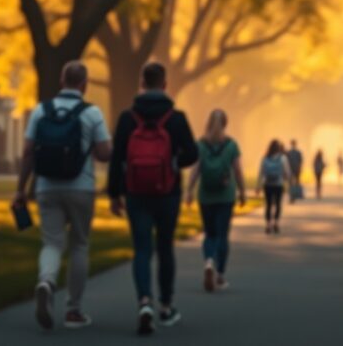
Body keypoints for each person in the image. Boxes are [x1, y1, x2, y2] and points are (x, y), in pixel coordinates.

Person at [13, 61, 112, 330]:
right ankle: (73, 311)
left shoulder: (40, 111)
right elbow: (104, 153)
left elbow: (28, 152)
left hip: (46, 187)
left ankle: (46, 281)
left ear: (61, 80)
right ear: (85, 84)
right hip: (81, 187)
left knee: (52, 243)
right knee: (79, 245)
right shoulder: (92, 112)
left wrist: (21, 189)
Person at [108, 62, 198, 335]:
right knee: (165, 248)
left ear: (142, 84)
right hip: (168, 193)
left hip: (136, 193)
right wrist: (174, 163)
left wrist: (114, 193)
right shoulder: (176, 118)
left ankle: (144, 301)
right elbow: (193, 153)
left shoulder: (127, 118)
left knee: (142, 249)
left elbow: (117, 157)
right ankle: (166, 306)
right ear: (165, 84)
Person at [185, 109, 246, 293]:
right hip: (225, 196)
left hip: (206, 196)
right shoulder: (232, 145)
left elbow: (195, 169)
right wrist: (242, 191)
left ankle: (209, 261)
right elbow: (238, 171)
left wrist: (189, 191)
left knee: (209, 233)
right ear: (225, 124)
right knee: (222, 235)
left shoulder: (201, 144)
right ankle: (219, 275)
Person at [257, 140, 292, 234]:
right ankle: (276, 223)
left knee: (268, 205)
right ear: (279, 148)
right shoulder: (283, 158)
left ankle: (268, 224)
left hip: (267, 184)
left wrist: (258, 186)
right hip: (278, 184)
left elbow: (261, 173)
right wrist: (288, 180)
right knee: (278, 204)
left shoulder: (265, 158)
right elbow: (287, 172)